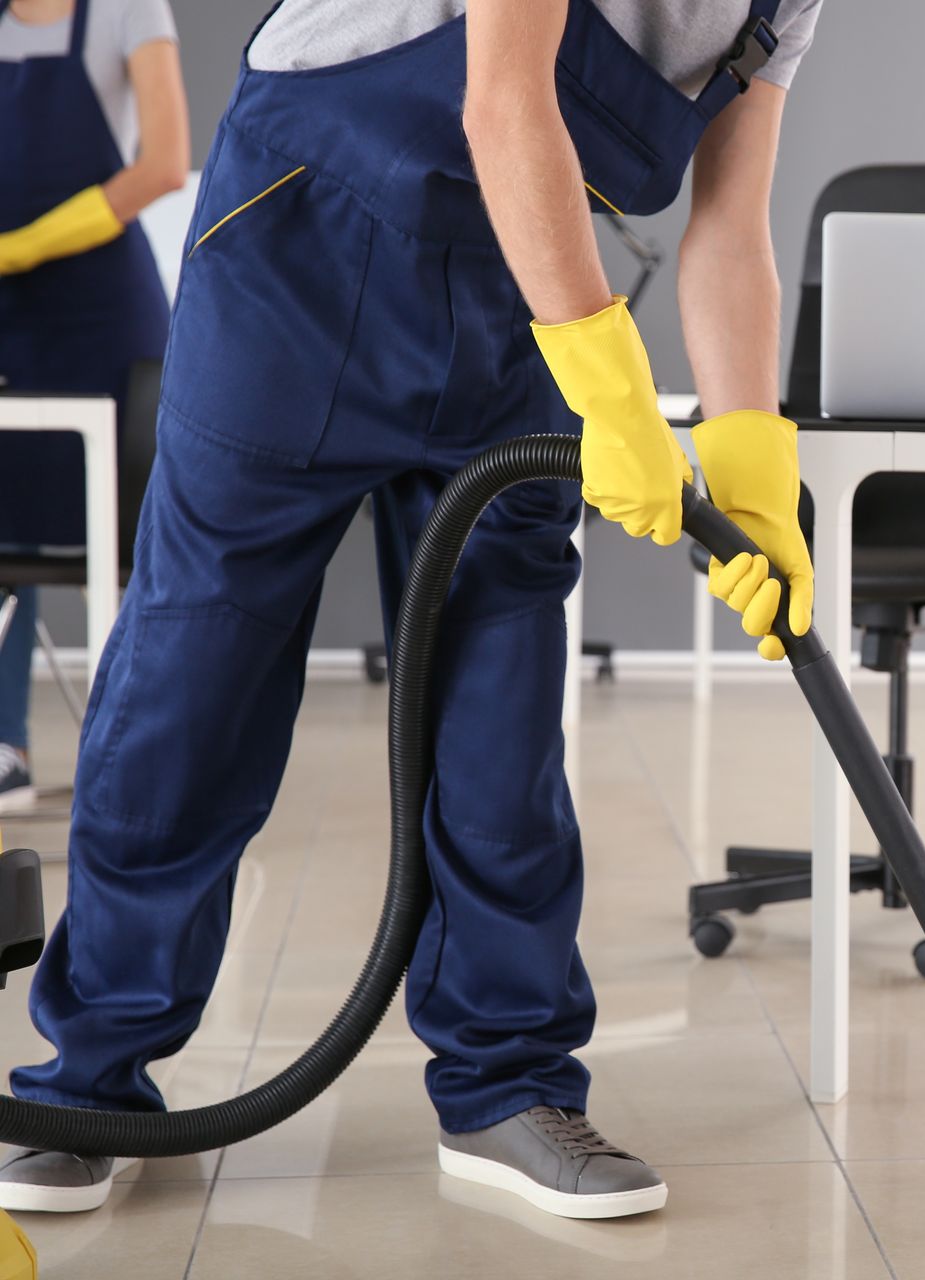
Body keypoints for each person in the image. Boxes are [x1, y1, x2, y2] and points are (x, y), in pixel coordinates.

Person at [0, 0, 820, 1219]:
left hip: (525, 284)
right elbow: (503, 98)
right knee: (192, 688)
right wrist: (611, 385)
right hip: (300, 245)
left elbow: (731, 224)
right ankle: (90, 1078)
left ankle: (508, 1083)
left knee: (501, 714)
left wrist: (751, 449)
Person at [0, 0, 189, 815]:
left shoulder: (125, 8)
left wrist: (23, 245)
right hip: (5, 315)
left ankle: (144, 757)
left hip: (103, 318)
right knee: (4, 526)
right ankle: (5, 748)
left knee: (138, 539)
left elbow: (166, 163)